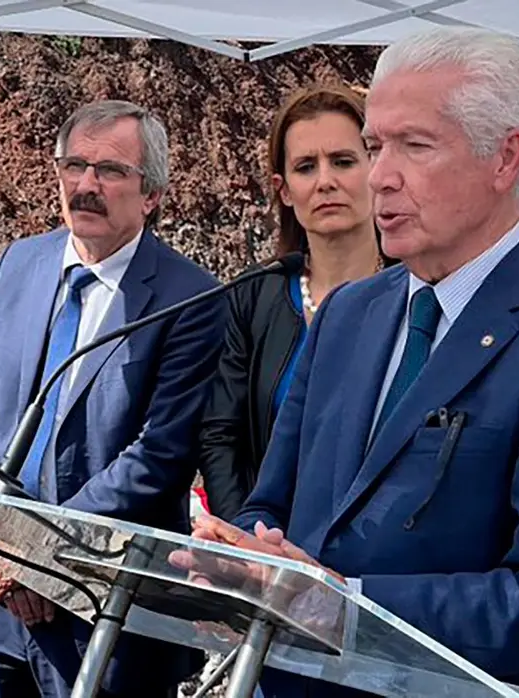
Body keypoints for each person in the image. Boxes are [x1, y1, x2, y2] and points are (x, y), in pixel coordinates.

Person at [182, 26, 519, 698]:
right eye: (374, 146)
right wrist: (243, 560)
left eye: (415, 146)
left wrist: (349, 604)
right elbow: (273, 504)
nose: (380, 176)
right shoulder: (347, 313)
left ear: (505, 158)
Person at [0, 100, 225, 698]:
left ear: (151, 195)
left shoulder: (192, 299)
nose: (86, 185)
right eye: (74, 166)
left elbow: (160, 457)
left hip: (106, 613)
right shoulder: (18, 264)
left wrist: (39, 555)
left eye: (110, 171)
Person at [197, 83, 389, 522]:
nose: (326, 181)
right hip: (263, 552)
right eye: (306, 167)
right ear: (284, 190)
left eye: (343, 161)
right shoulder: (254, 295)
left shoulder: (420, 295)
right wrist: (247, 537)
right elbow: (220, 435)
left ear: (375, 169)